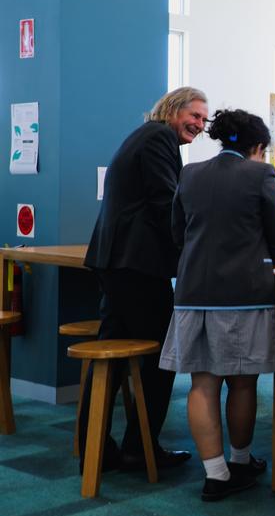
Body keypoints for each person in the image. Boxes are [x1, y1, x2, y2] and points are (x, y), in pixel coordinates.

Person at [159, 109, 275, 501]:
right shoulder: (260, 174)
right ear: (258, 146)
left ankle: (214, 473)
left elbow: (177, 232)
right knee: (243, 381)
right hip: (243, 295)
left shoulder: (190, 173)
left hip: (193, 291)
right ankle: (240, 460)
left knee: (202, 382)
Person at [80, 87, 209, 471]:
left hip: (119, 262)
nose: (200, 126)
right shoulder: (158, 138)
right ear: (173, 110)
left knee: (115, 357)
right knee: (161, 357)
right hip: (136, 265)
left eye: (204, 119)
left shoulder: (148, 137)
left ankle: (97, 446)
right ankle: (141, 448)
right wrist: (198, 241)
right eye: (195, 116)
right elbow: (166, 203)